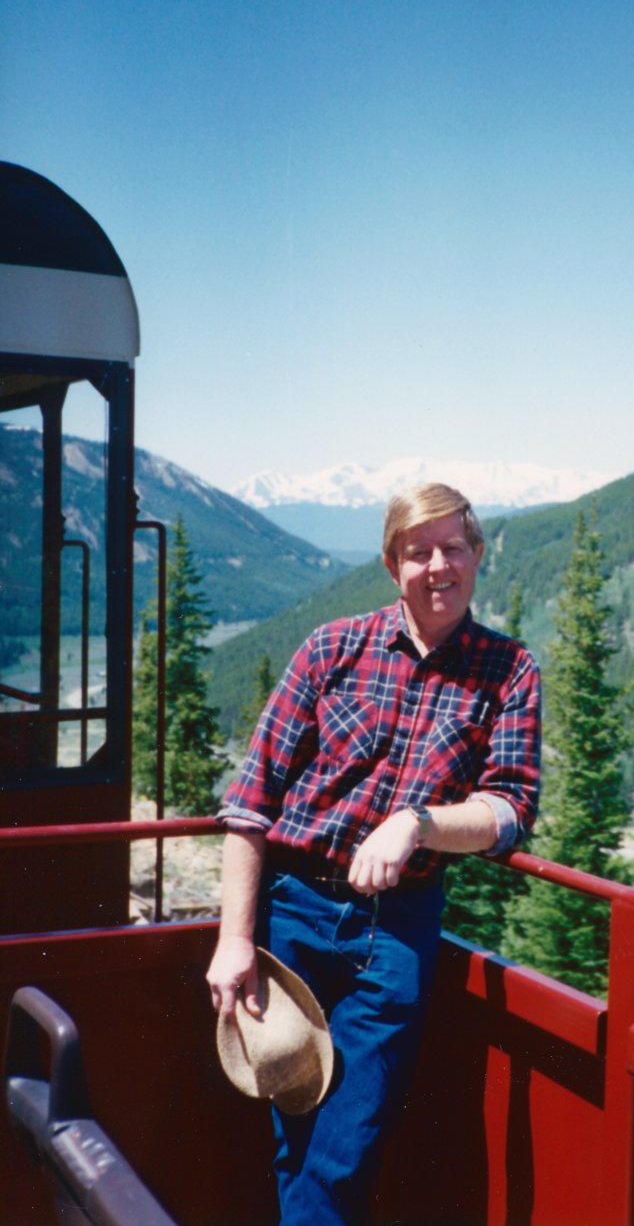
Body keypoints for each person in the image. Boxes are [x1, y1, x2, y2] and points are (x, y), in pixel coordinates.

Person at [206, 482, 541, 1226]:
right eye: (418, 552)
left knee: (344, 1148)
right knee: (295, 1131)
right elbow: (251, 800)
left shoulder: (507, 672)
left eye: (453, 548)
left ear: (477, 557)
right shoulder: (332, 648)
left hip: (395, 932)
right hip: (291, 915)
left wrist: (415, 824)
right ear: (393, 565)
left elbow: (508, 811)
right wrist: (234, 940)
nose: (437, 566)